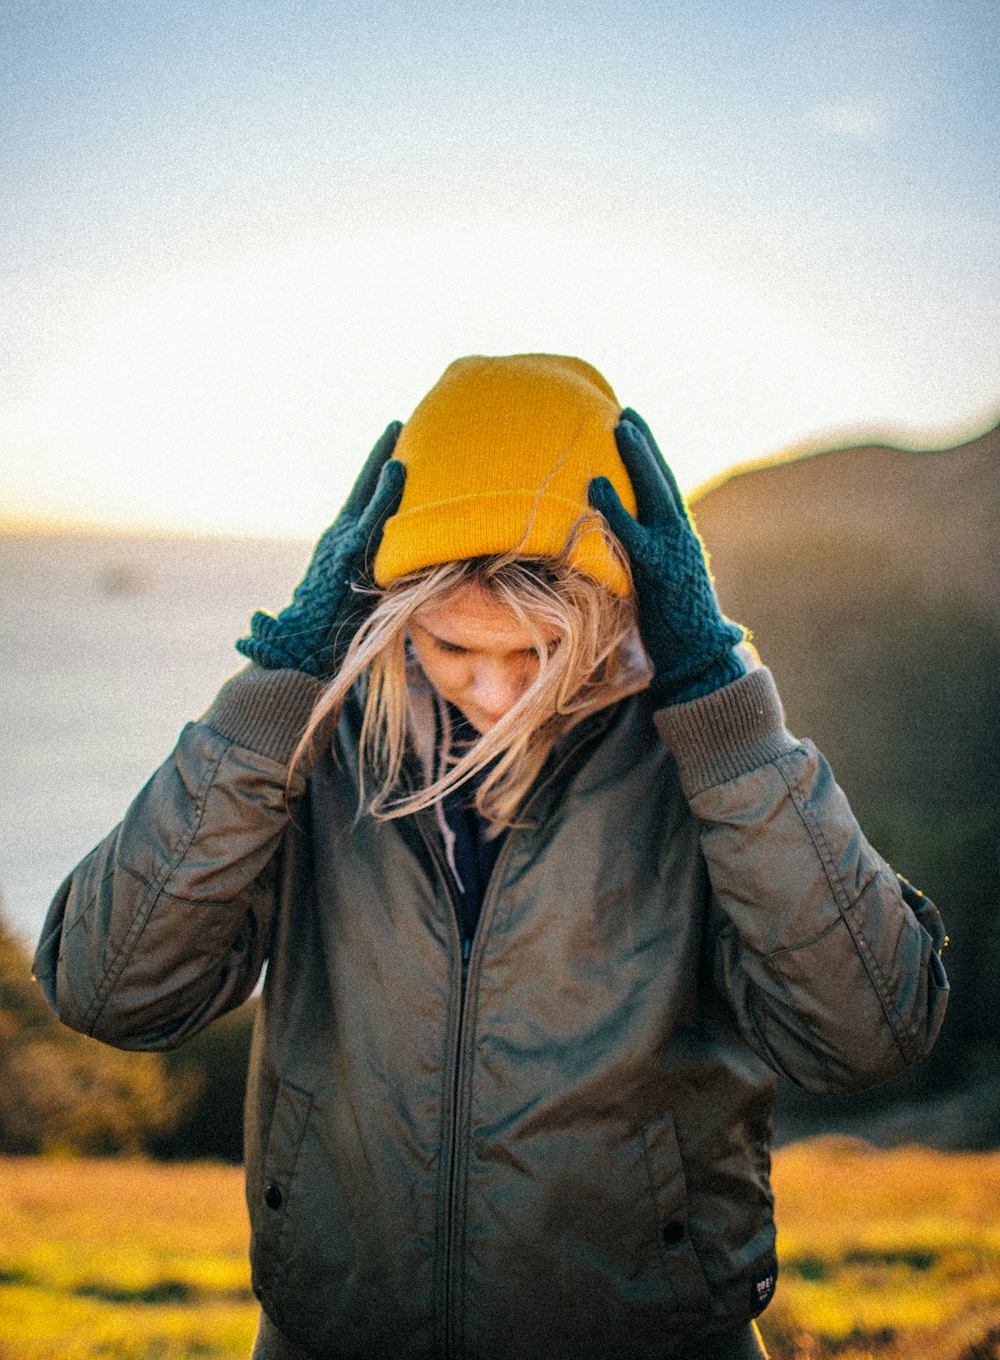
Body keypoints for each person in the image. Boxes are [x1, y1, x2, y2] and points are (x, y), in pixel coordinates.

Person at [34, 354, 948, 1360]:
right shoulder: (314, 753)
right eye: (452, 646)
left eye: (537, 653)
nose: (498, 694)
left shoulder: (697, 762)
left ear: (611, 613)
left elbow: (867, 1033)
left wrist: (719, 700)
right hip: (338, 1333)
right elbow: (110, 987)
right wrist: (278, 686)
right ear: (393, 616)